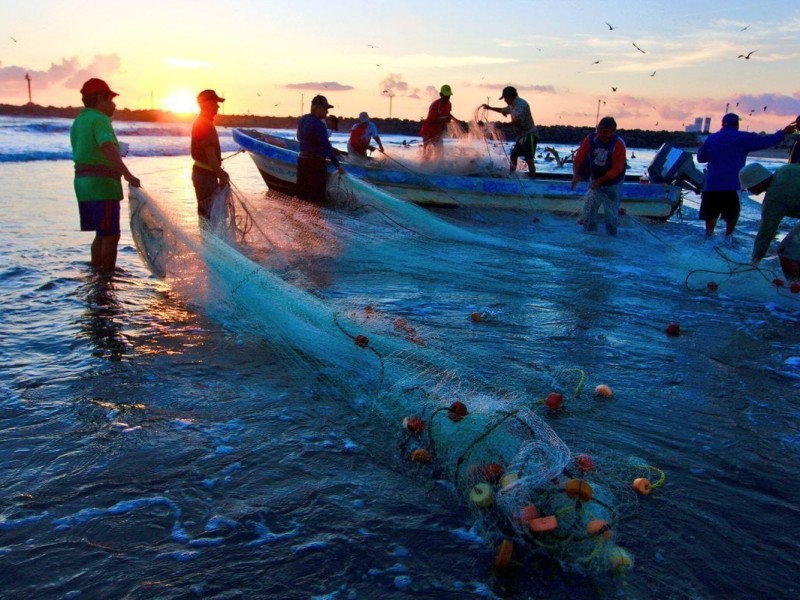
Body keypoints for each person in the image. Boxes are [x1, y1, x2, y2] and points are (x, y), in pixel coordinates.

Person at [70, 78, 140, 274]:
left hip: (83, 185)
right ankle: (106, 277)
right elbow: (107, 147)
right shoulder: (100, 119)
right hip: (102, 186)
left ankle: (96, 271)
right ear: (101, 99)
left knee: (101, 234)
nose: (114, 105)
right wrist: (128, 175)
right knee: (111, 234)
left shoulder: (79, 120)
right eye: (111, 99)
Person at [696, 113, 795, 242]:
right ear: (737, 124)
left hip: (712, 184)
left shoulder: (711, 139)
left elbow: (700, 158)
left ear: (722, 124)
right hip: (733, 184)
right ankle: (728, 238)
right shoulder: (743, 137)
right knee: (732, 214)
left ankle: (708, 238)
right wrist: (782, 133)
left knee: (711, 214)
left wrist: (701, 148)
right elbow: (765, 142)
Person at [739, 162, 800, 279]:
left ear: (758, 182)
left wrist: (755, 260)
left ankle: (793, 288)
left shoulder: (774, 199)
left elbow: (766, 231)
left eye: (749, 187)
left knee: (786, 252)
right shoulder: (785, 169)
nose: (749, 191)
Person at [571, 116, 627, 236]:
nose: (605, 136)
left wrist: (600, 181)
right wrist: (576, 175)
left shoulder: (618, 144)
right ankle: (590, 238)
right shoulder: (591, 139)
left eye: (609, 133)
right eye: (602, 132)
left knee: (610, 215)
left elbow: (617, 169)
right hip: (596, 178)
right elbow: (578, 159)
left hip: (613, 183)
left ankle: (611, 239)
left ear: (614, 132)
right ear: (597, 129)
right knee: (589, 211)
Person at [296, 94, 346, 203]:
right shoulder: (319, 124)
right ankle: (315, 218)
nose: (327, 112)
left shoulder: (303, 119)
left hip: (302, 161)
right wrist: (337, 165)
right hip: (315, 164)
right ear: (318, 108)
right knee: (316, 197)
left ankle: (300, 219)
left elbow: (299, 137)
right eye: (325, 109)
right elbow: (326, 146)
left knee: (302, 195)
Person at [481, 86, 539, 178]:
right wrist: (490, 108)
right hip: (521, 137)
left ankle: (533, 180)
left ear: (510, 96)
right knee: (513, 156)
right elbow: (503, 110)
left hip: (530, 135)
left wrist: (503, 125)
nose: (505, 100)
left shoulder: (522, 105)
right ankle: (512, 176)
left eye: (505, 98)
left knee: (529, 159)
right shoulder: (512, 106)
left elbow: (518, 121)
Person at [191, 89, 229, 220]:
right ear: (206, 104)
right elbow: (210, 155)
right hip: (205, 176)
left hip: (204, 174)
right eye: (215, 103)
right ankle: (207, 241)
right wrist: (221, 175)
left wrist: (219, 172)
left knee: (208, 216)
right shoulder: (204, 124)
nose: (218, 106)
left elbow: (210, 155)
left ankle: (207, 240)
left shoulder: (203, 122)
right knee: (209, 217)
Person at [419, 84, 453, 161]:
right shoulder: (435, 105)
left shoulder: (449, 104)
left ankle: (438, 169)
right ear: (441, 95)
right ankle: (424, 167)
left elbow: (448, 114)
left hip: (438, 132)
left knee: (440, 153)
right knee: (427, 153)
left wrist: (450, 119)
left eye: (449, 96)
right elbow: (432, 120)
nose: (447, 98)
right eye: (446, 96)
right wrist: (444, 120)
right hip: (428, 131)